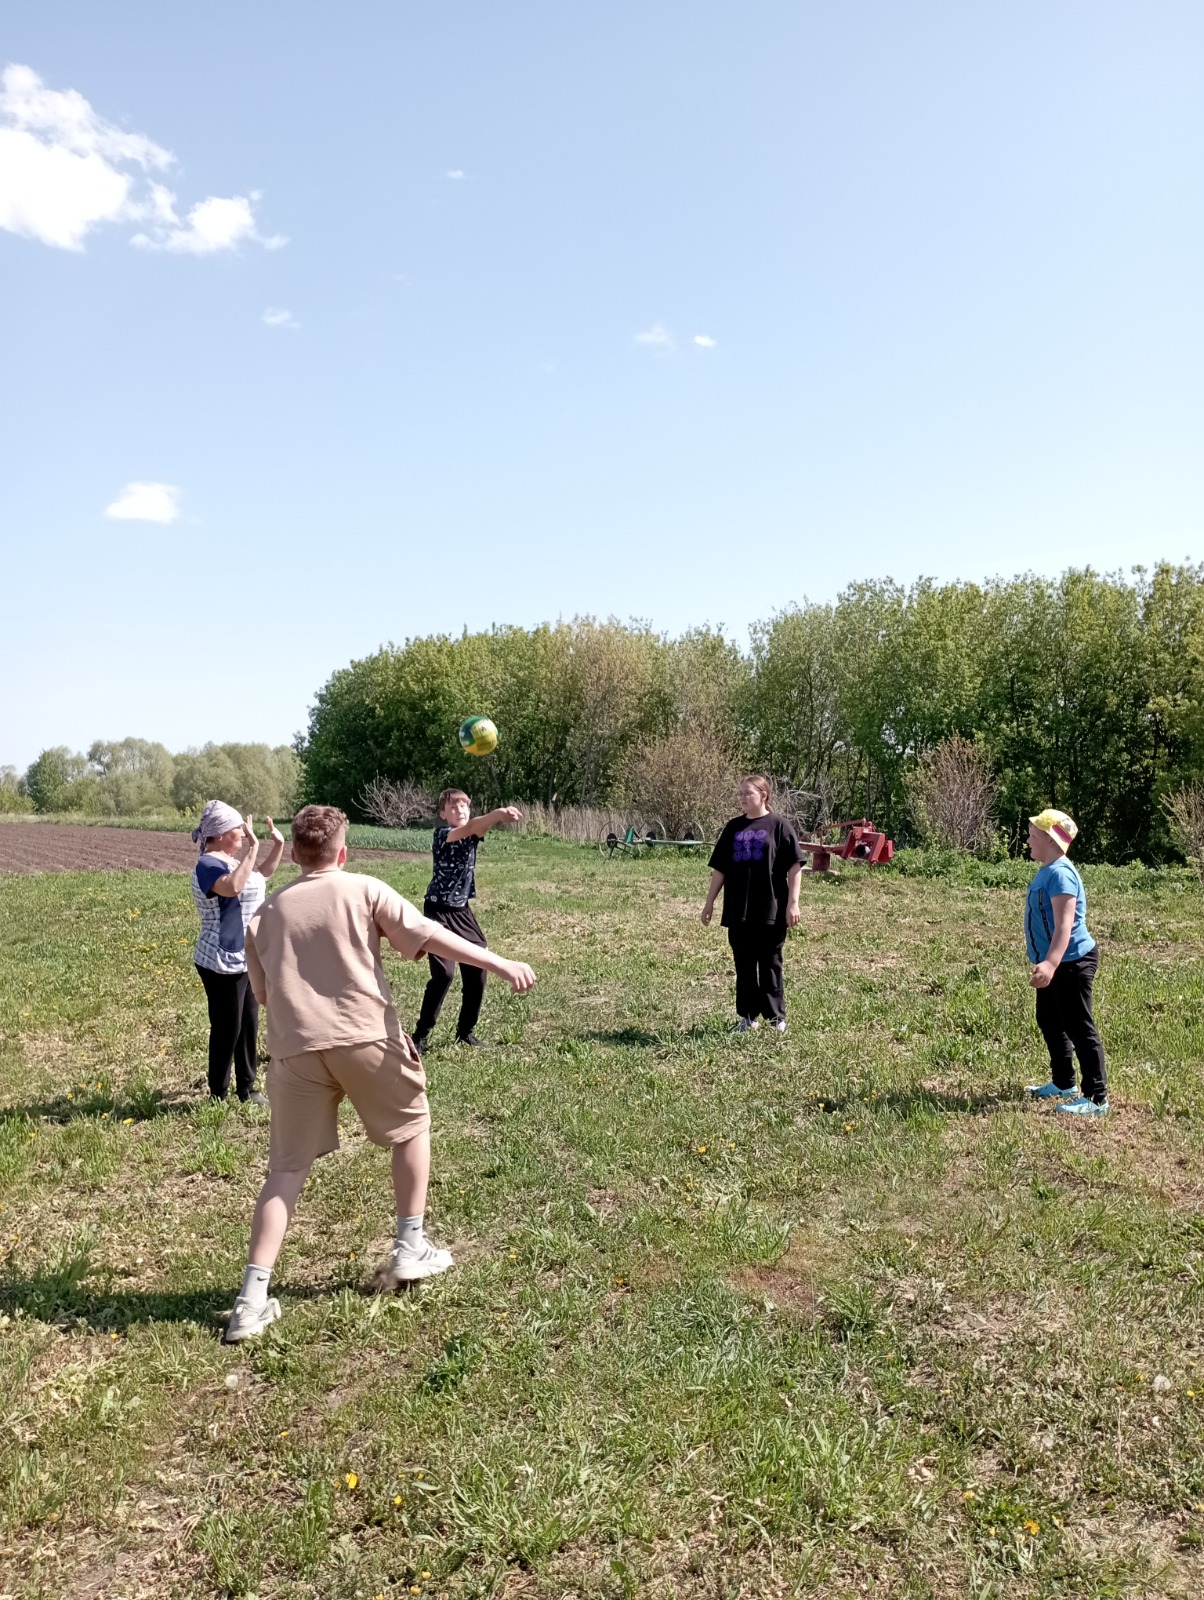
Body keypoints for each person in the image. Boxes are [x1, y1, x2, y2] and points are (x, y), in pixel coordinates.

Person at [225, 804, 535, 1342]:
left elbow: (261, 995)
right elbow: (430, 935)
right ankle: (410, 1244)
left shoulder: (265, 915)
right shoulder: (364, 889)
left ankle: (251, 1302)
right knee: (412, 1125)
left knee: (285, 1171)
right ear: (343, 852)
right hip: (365, 1037)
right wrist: (498, 961)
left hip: (294, 1051)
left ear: (295, 854)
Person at [411, 789, 523, 1053]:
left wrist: (497, 817)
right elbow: (474, 825)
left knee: (477, 970)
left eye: (464, 806)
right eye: (453, 807)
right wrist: (497, 814)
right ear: (442, 814)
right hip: (438, 909)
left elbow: (477, 826)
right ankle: (420, 1036)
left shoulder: (474, 833)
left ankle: (465, 1032)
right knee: (445, 974)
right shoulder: (442, 835)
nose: (459, 810)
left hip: (461, 911)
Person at [190, 799, 285, 1105]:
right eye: (238, 829)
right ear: (219, 834)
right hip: (221, 960)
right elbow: (232, 888)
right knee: (227, 1027)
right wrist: (254, 848)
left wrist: (276, 846)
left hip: (246, 956)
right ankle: (217, 1092)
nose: (244, 834)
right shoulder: (208, 865)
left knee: (248, 1024)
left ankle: (248, 1088)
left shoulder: (232, 862)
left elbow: (259, 877)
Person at [1024, 808, 1109, 1116]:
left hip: (1071, 962)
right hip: (1055, 961)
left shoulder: (1060, 873)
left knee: (1078, 1025)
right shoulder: (1048, 868)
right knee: (1049, 1020)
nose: (1028, 841)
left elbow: (1065, 925)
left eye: (1033, 836)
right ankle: (1063, 1082)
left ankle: (1097, 1098)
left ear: (1049, 839)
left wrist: (1050, 964)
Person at [702, 776, 802, 1033]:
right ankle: (748, 1017)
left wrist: (793, 903)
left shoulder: (779, 825)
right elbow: (720, 868)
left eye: (748, 793)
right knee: (744, 965)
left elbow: (795, 866)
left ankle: (776, 1019)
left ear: (763, 795)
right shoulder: (733, 827)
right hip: (739, 909)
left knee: (770, 963)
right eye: (740, 794)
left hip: (771, 908)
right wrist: (710, 902)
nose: (743, 798)